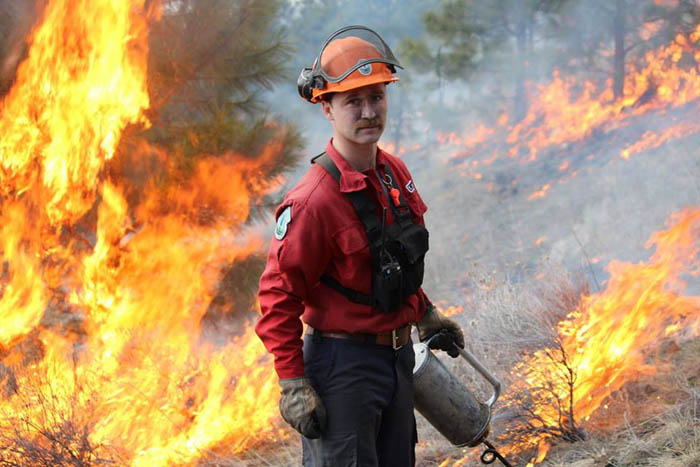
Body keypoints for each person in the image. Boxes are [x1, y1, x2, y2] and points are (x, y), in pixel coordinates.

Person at [255, 25, 465, 467]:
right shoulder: (314, 202)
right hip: (342, 367)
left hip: (396, 360)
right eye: (353, 100)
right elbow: (277, 298)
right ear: (326, 107)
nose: (369, 111)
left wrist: (424, 312)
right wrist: (293, 384)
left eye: (377, 97)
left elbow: (393, 259)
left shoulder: (393, 173)